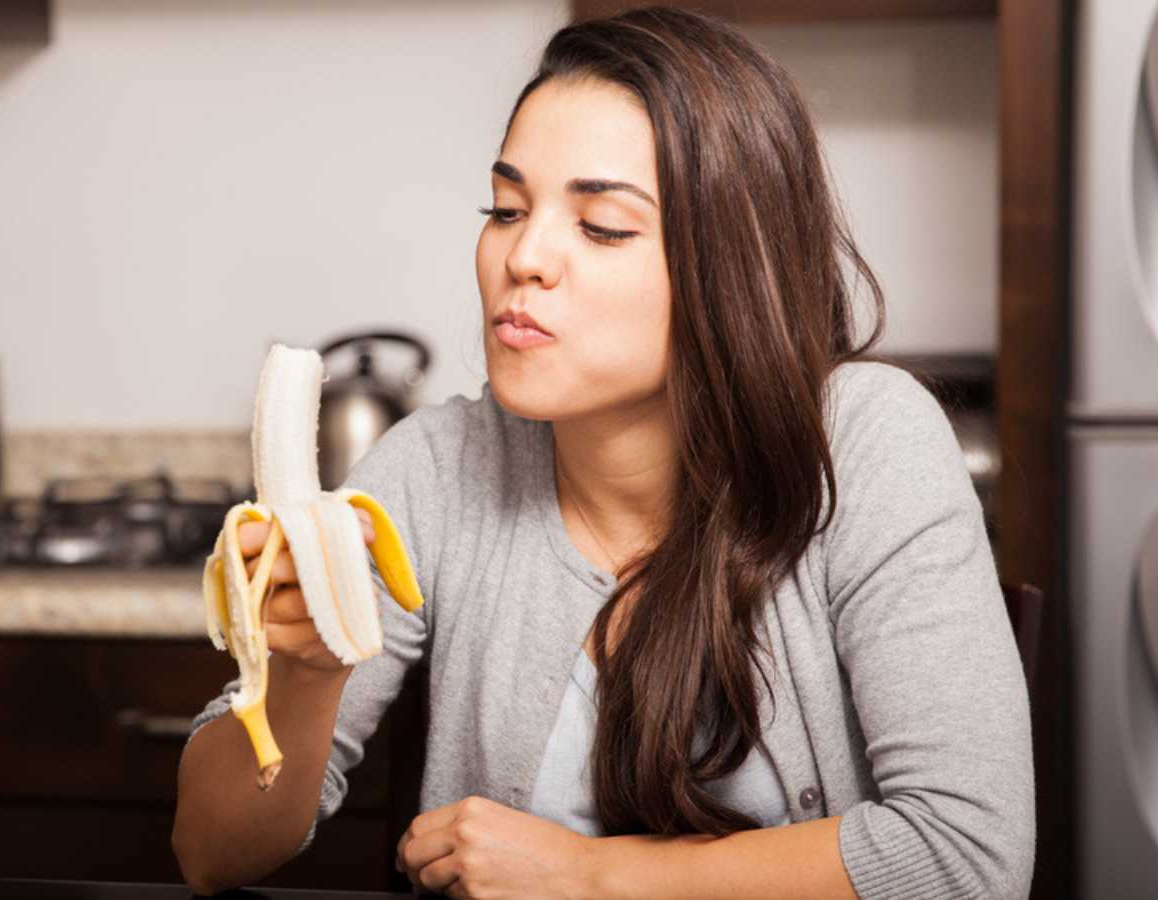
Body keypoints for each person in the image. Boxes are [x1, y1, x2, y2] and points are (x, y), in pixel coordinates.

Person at [172, 7, 1034, 899]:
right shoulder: (436, 468)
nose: (524, 255)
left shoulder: (862, 443)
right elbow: (211, 854)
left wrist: (589, 874)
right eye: (506, 209)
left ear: (731, 264)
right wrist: (305, 681)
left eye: (602, 226)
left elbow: (965, 859)